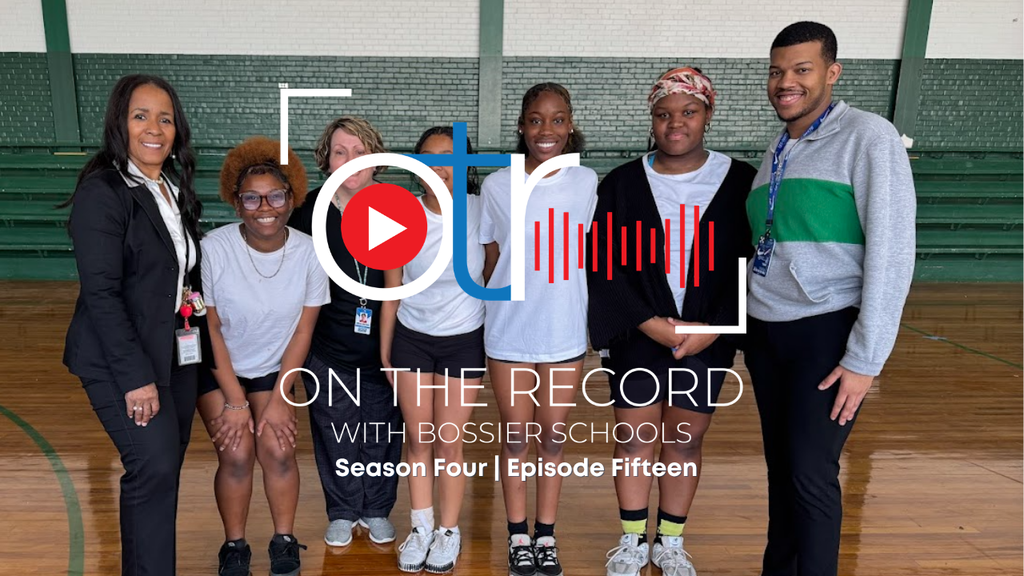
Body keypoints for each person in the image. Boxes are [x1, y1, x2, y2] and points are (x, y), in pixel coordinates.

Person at [745, 22, 916, 576]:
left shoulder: (869, 137)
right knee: (783, 474)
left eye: (802, 69)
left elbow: (892, 252)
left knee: (810, 475)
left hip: (826, 330)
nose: (785, 82)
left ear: (832, 72)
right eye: (777, 71)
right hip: (768, 332)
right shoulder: (778, 147)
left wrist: (865, 359)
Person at [588, 68, 756, 576]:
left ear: (708, 114)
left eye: (688, 112)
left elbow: (753, 263)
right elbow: (602, 264)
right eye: (664, 114)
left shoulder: (742, 180)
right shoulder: (621, 183)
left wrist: (717, 326)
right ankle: (632, 540)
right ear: (652, 119)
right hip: (640, 333)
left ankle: (671, 541)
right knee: (634, 439)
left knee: (684, 440)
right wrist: (647, 322)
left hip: (708, 335)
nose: (675, 123)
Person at [62, 74, 206, 576]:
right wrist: (135, 379)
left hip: (174, 351)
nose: (154, 129)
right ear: (119, 123)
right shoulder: (104, 192)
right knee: (153, 466)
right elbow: (101, 294)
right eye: (140, 116)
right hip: (121, 359)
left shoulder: (171, 187)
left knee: (162, 472)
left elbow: (177, 273)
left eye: (165, 119)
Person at [197, 137, 329, 576]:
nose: (264, 207)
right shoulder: (213, 248)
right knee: (236, 453)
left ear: (291, 198)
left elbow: (304, 330)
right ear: (237, 202)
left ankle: (283, 540)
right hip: (220, 369)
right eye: (252, 198)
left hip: (275, 370)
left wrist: (278, 397)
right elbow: (211, 328)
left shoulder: (310, 252)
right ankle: (234, 546)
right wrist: (235, 401)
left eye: (275, 195)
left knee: (278, 448)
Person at [480, 83, 598, 576]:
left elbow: (590, 253)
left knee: (551, 438)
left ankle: (545, 535)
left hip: (564, 330)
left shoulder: (587, 182)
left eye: (556, 119)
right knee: (515, 438)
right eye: (535, 119)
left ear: (570, 125)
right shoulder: (496, 185)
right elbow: (491, 259)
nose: (545, 129)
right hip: (510, 332)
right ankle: (517, 536)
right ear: (522, 126)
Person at [379, 126, 491, 574]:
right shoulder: (400, 214)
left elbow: (494, 269)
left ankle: (448, 531)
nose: (439, 166)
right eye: (428, 157)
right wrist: (386, 354)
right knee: (419, 438)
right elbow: (392, 290)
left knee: (448, 441)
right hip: (412, 338)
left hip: (464, 340)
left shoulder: (481, 210)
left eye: (450, 157)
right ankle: (421, 527)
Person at [288, 116, 403, 548]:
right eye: (341, 152)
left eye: (360, 152)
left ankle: (376, 509)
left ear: (376, 160)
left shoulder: (396, 207)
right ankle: (341, 510)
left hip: (384, 344)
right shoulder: (306, 211)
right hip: (326, 345)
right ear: (327, 159)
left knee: (381, 432)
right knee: (334, 432)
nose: (351, 161)